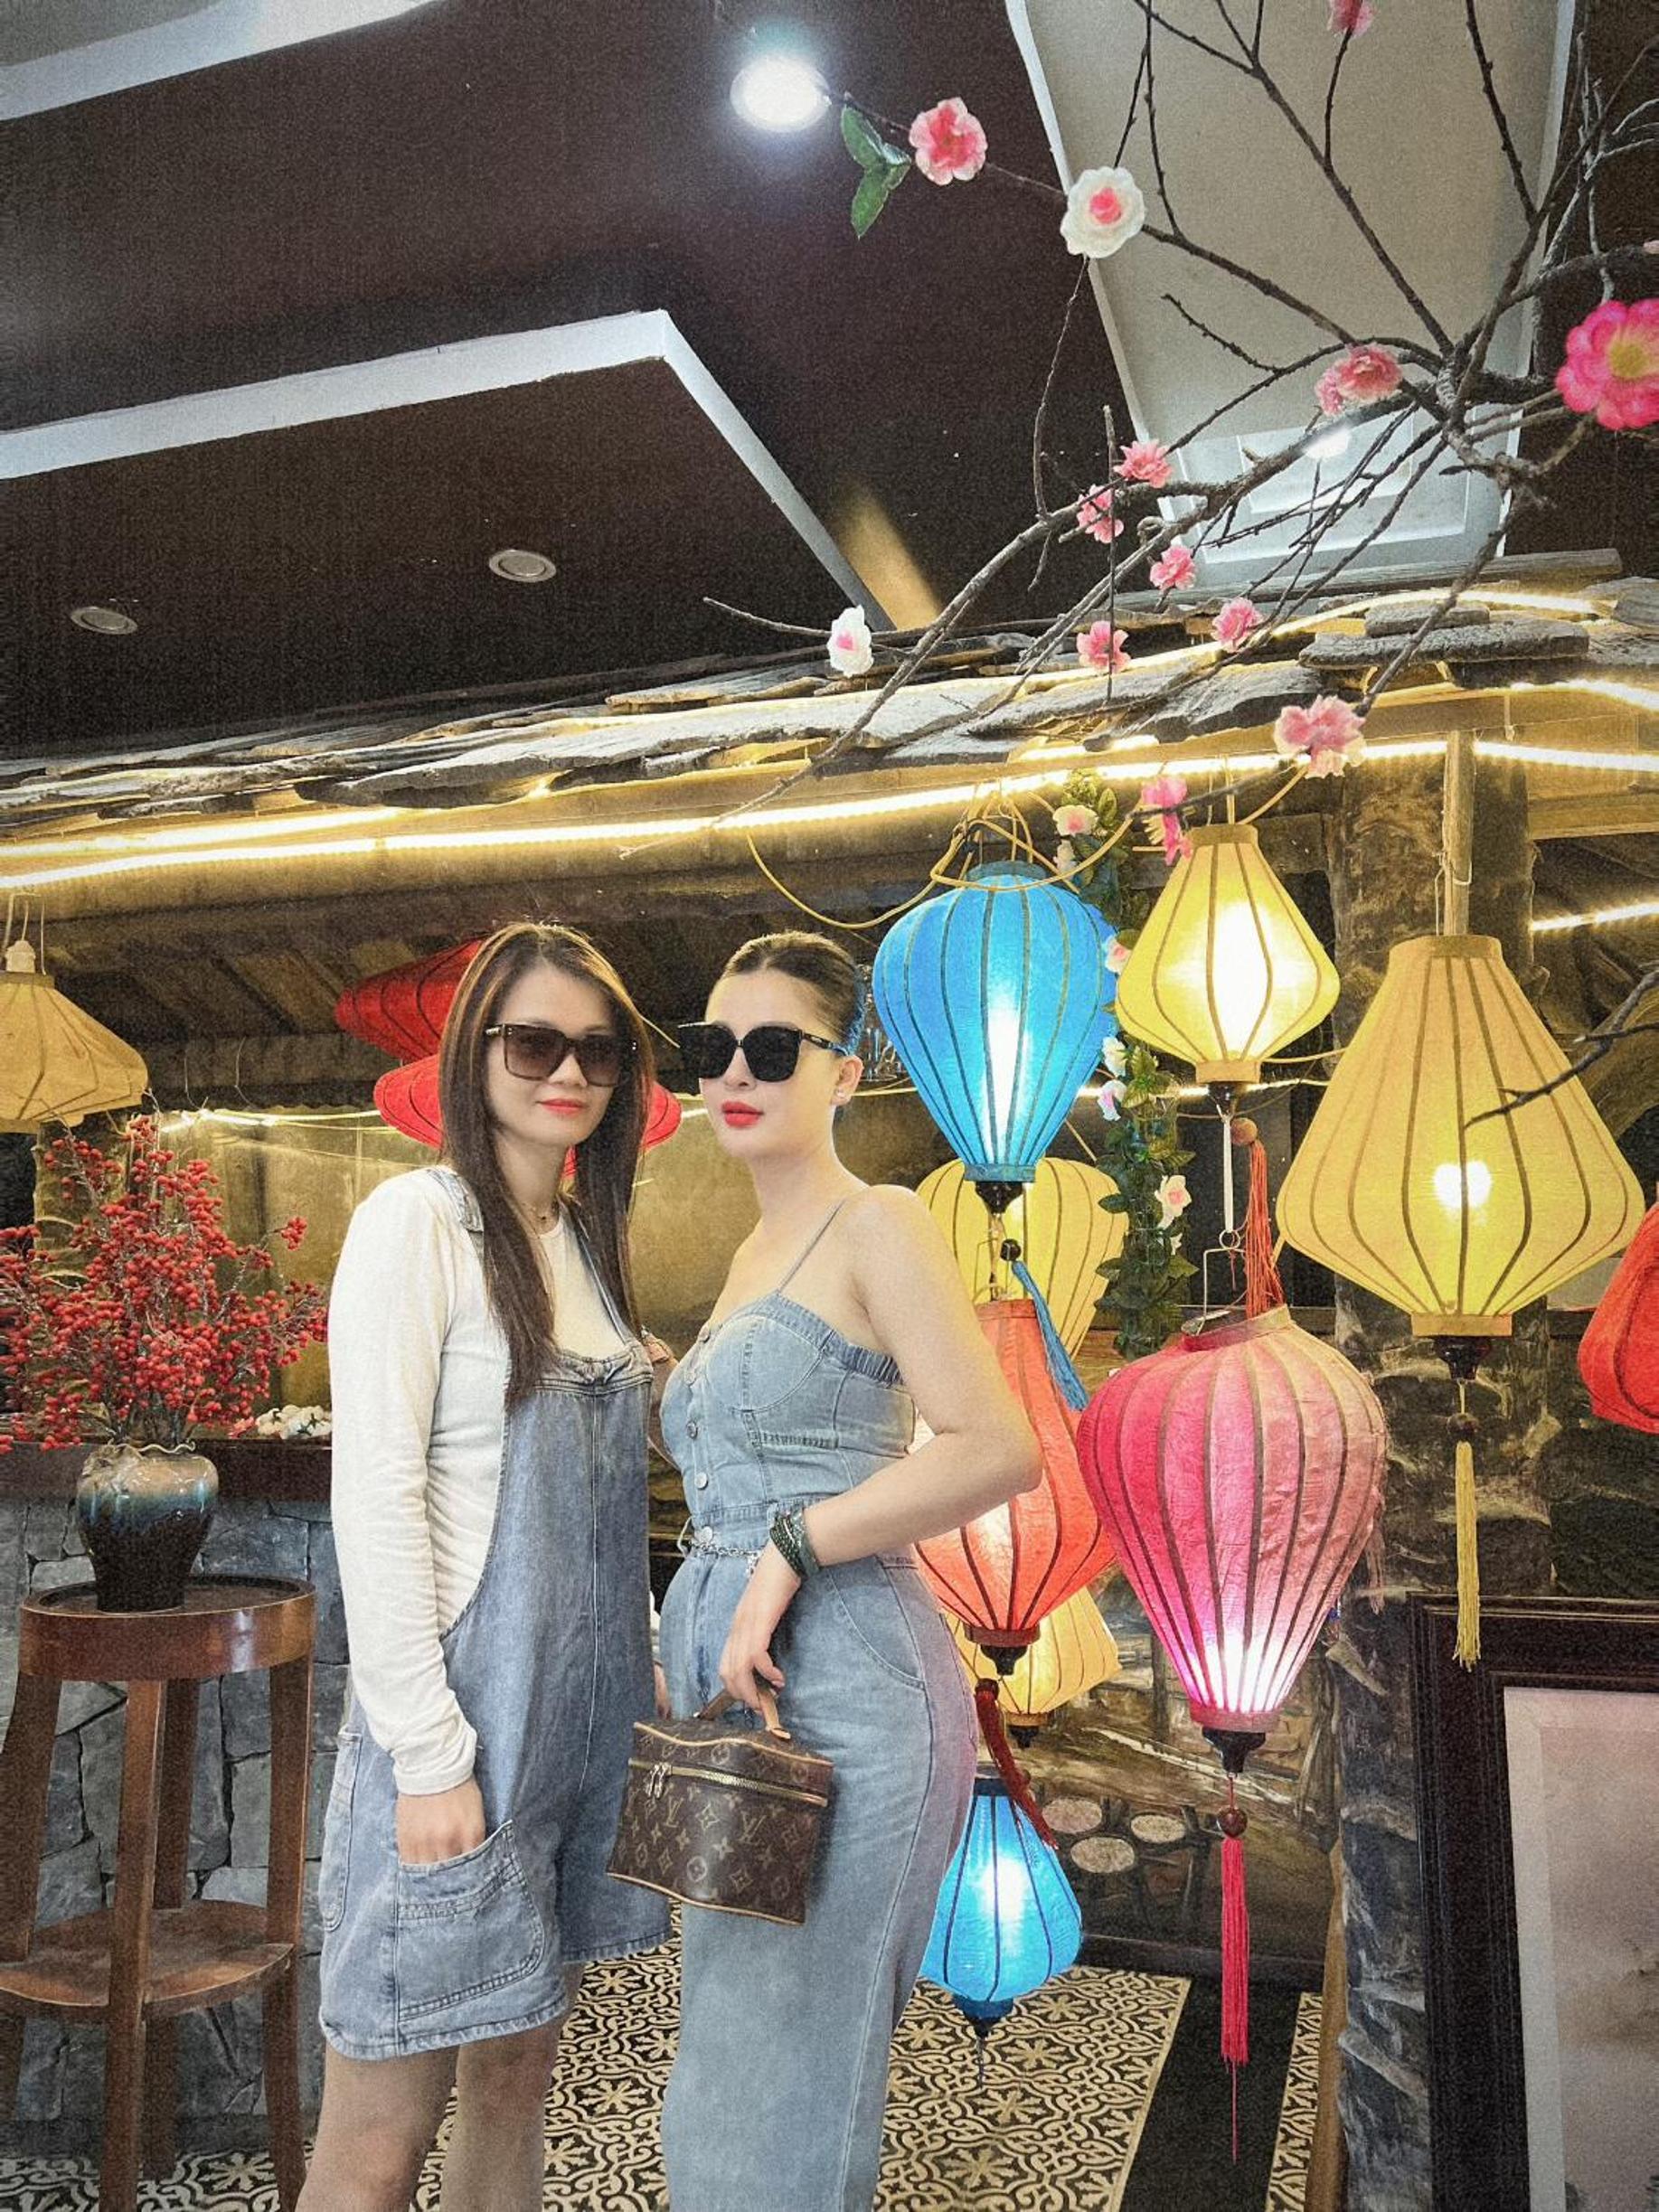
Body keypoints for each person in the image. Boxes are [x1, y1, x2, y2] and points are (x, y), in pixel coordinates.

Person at [656, 930, 1041, 2212]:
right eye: (713, 1047)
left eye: (773, 1048)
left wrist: (792, 1546)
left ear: (845, 1074)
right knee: (730, 2036)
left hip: (851, 1677)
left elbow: (996, 1447)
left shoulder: (879, 1220)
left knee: (792, 2062)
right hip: (737, 1689)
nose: (735, 1073)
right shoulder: (747, 1257)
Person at [300, 922, 669, 2212]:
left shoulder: (585, 1242)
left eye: (598, 1052)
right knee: (377, 2141)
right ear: (474, 1053)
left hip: (579, 1739)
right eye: (534, 1043)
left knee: (517, 2089)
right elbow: (376, 1500)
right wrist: (427, 1757)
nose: (567, 1073)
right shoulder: (416, 1223)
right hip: (459, 1736)